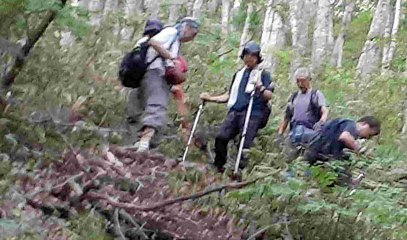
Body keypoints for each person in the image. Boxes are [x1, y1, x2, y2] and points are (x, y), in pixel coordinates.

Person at [127, 17, 200, 152]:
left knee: (140, 108)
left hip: (144, 75)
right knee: (157, 106)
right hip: (156, 73)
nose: (192, 38)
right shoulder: (171, 32)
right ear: (188, 27)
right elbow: (154, 42)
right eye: (194, 34)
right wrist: (172, 58)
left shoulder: (174, 39)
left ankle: (138, 141)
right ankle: (144, 142)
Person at [199, 42, 273, 173]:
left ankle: (240, 172)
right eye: (247, 55)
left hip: (253, 113)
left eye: (253, 56)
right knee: (221, 137)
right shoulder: (238, 74)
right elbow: (230, 95)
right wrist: (210, 98)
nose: (249, 58)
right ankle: (219, 167)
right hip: (235, 111)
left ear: (257, 58)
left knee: (244, 146)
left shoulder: (263, 74)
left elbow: (268, 95)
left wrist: (260, 86)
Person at [303, 116, 381, 183]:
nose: (367, 137)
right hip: (321, 152)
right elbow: (345, 137)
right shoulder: (351, 125)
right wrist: (359, 149)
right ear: (364, 124)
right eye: (369, 134)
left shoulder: (342, 124)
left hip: (316, 150)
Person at [277, 67, 329, 151]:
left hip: (311, 131)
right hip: (294, 132)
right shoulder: (293, 97)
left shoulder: (316, 94)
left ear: (309, 79)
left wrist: (321, 122)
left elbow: (324, 110)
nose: (300, 84)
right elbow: (286, 117)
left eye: (303, 80)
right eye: (298, 81)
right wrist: (280, 134)